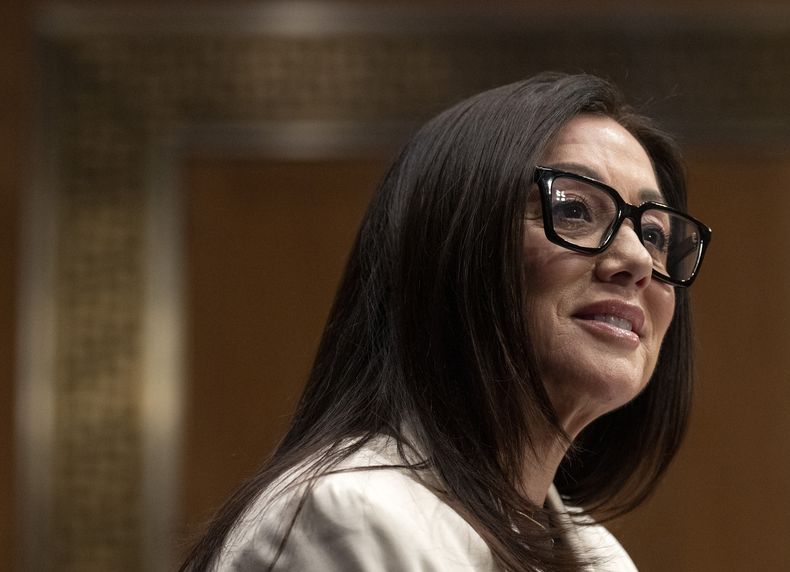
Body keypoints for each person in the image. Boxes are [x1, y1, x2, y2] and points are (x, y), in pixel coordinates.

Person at [180, 72, 711, 571]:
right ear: (454, 248)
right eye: (574, 209)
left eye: (656, 235)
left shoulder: (599, 556)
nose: (639, 260)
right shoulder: (347, 516)